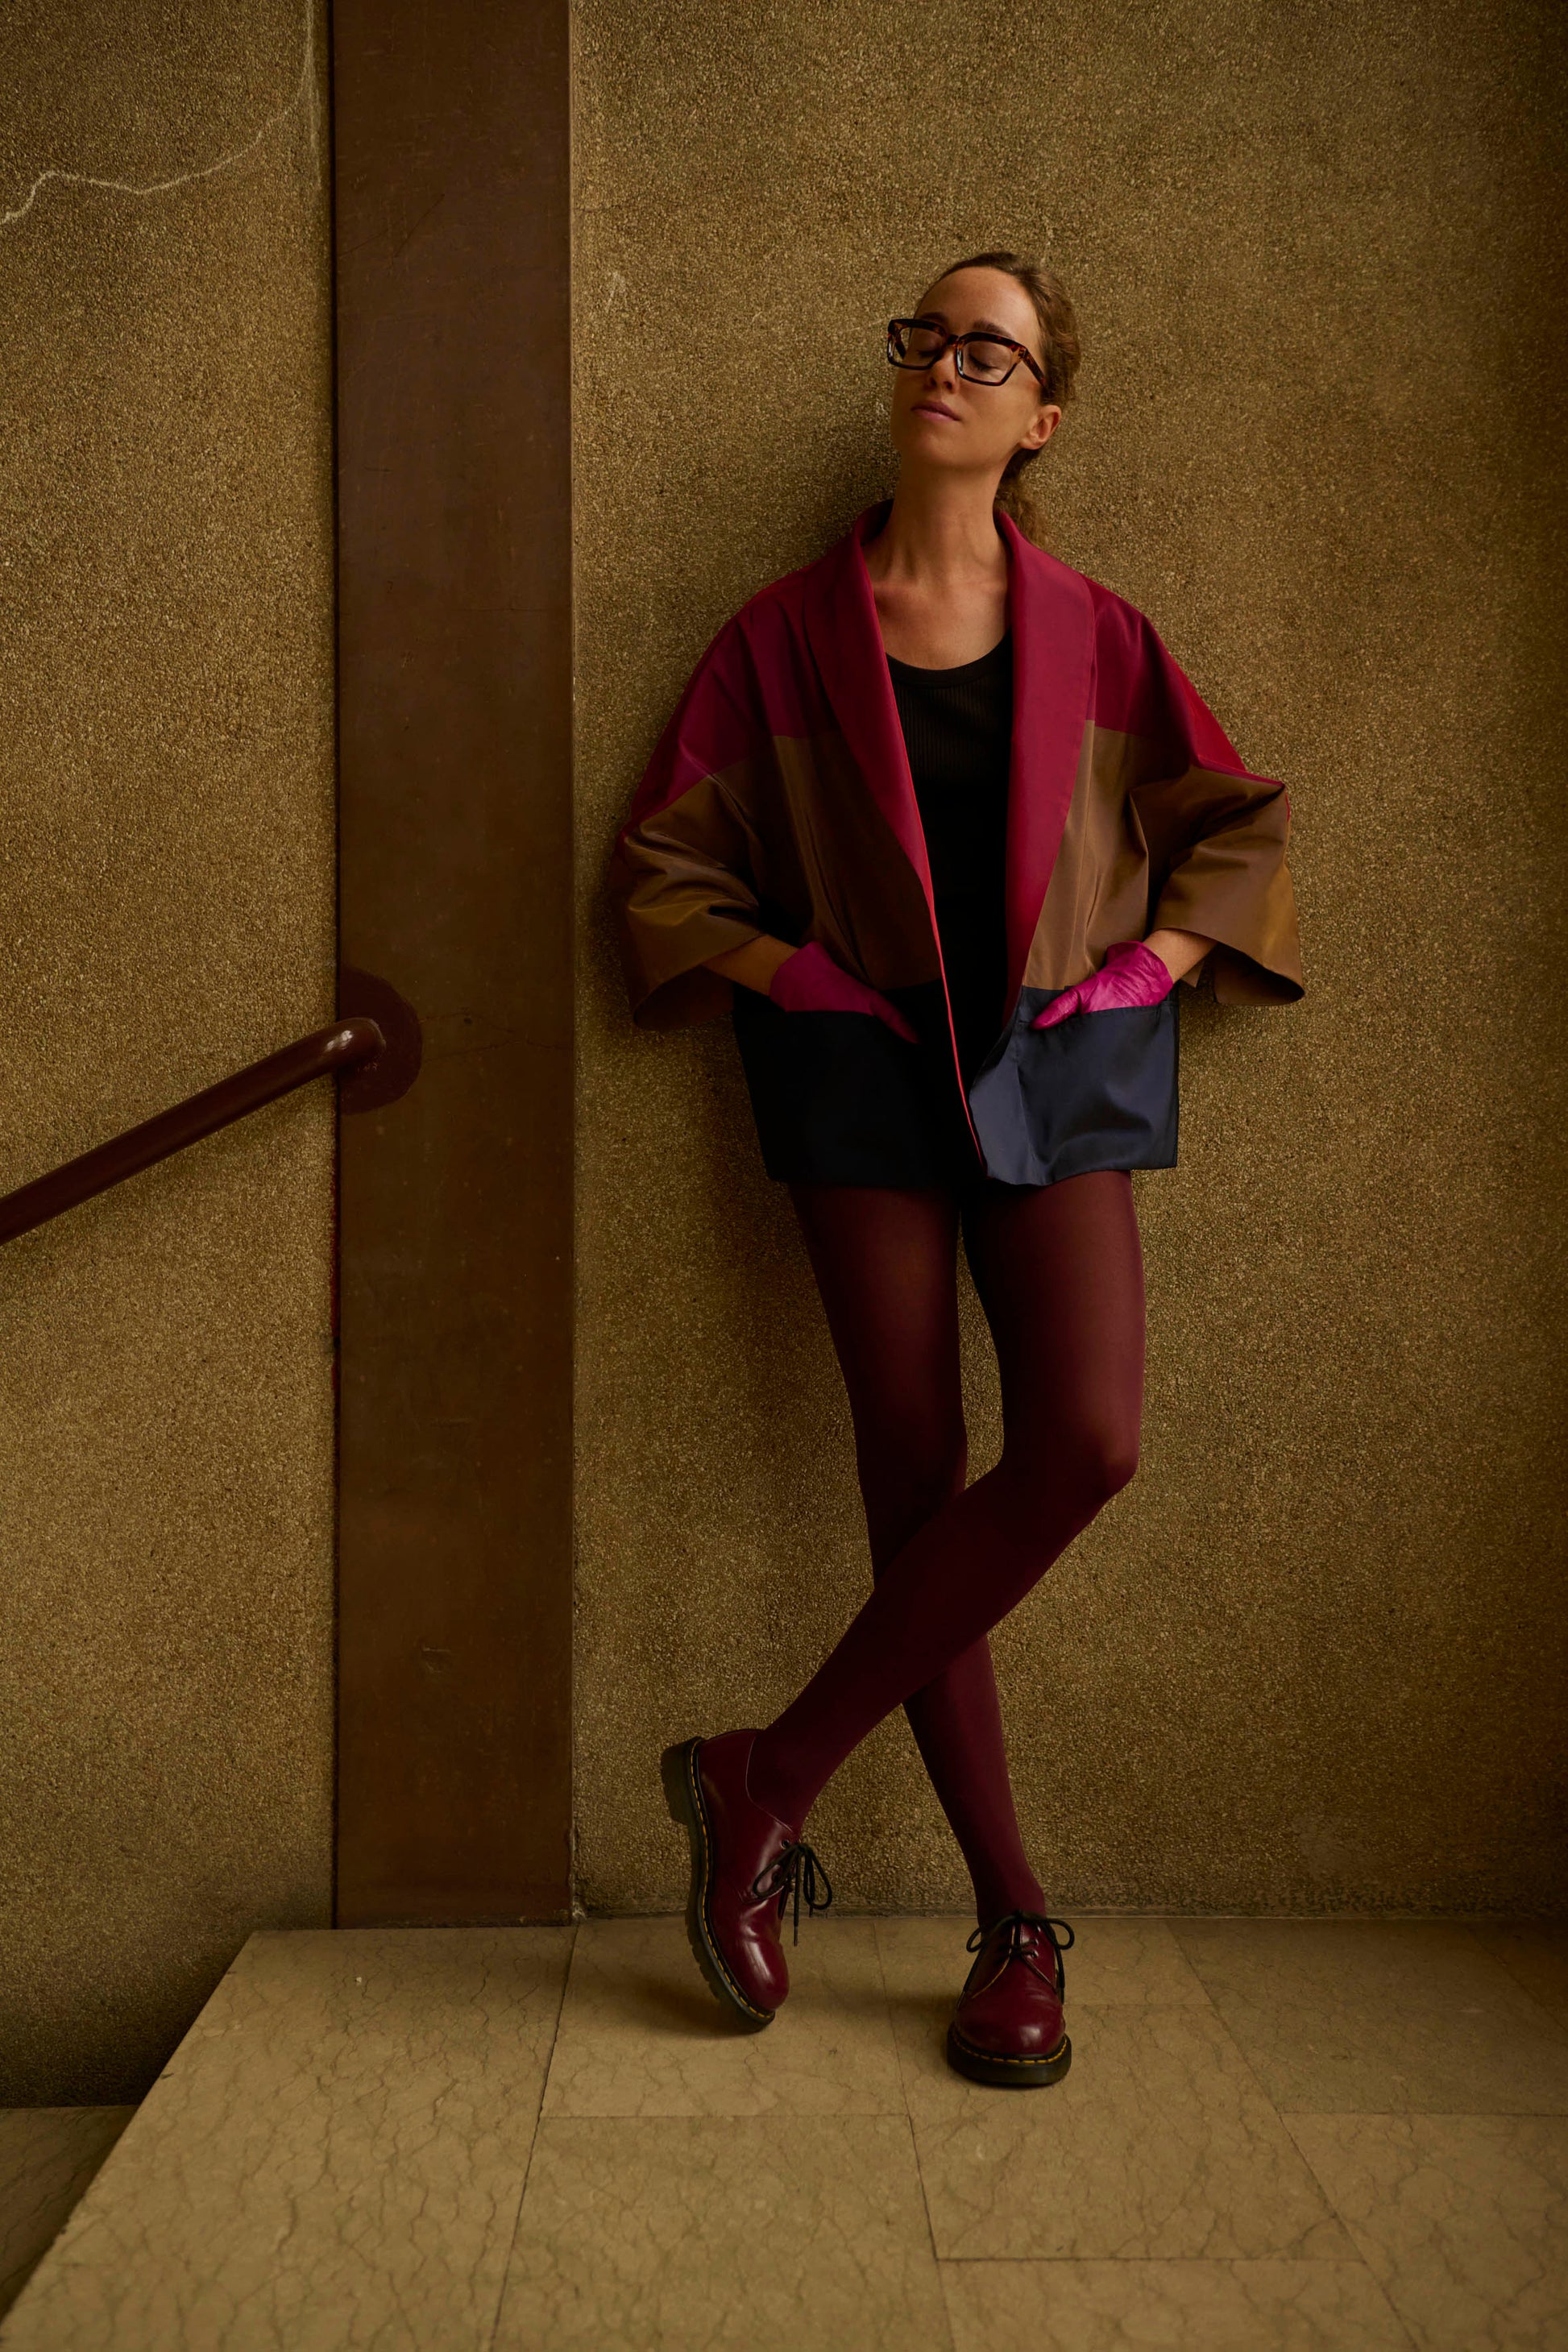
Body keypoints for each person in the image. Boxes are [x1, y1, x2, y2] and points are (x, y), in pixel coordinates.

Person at [611, 250, 1304, 2089]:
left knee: (1085, 1441)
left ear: (1040, 415)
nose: (942, 365)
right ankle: (1012, 1921)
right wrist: (799, 978)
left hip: (1051, 1076)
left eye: (985, 350)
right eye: (924, 335)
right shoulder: (781, 636)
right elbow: (666, 868)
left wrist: (1148, 970)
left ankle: (766, 1774)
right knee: (915, 1490)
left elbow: (1233, 830)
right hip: (858, 1085)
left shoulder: (1100, 633)